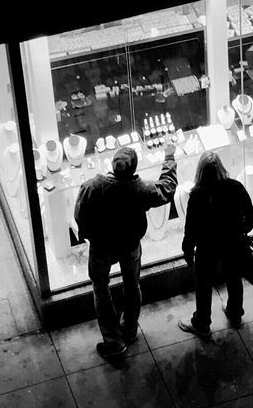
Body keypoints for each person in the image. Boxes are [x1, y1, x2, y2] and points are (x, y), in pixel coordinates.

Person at [74, 135, 179, 359]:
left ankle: (113, 342)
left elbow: (80, 215)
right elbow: (167, 189)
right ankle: (129, 329)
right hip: (130, 244)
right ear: (133, 170)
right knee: (132, 285)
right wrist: (169, 156)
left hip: (102, 247)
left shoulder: (93, 186)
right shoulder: (139, 189)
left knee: (101, 289)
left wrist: (89, 237)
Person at [179, 150, 253, 336]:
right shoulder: (235, 187)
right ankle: (235, 313)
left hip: (207, 247)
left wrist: (187, 250)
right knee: (234, 277)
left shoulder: (197, 195)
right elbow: (250, 215)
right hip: (232, 242)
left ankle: (202, 323)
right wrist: (242, 230)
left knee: (203, 285)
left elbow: (191, 228)